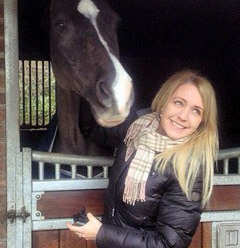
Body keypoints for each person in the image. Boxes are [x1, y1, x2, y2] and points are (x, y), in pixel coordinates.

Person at [67, 69, 219, 248]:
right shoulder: (137, 129)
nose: (183, 116)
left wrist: (101, 233)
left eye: (196, 111)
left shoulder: (189, 167)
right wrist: (91, 86)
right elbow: (91, 130)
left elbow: (168, 244)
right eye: (179, 103)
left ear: (202, 121)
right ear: (163, 103)